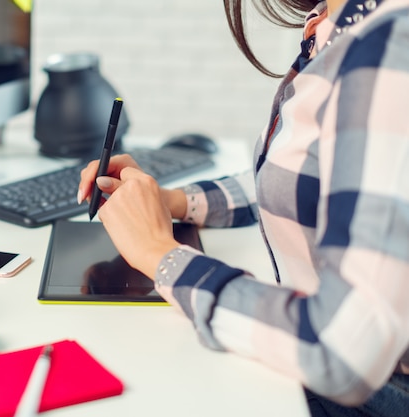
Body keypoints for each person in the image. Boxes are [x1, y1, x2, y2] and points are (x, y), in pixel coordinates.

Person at [77, 0, 409, 416]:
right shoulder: (332, 21)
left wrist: (161, 256)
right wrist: (172, 202)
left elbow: (343, 352)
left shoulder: (390, 44)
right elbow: (314, 181)